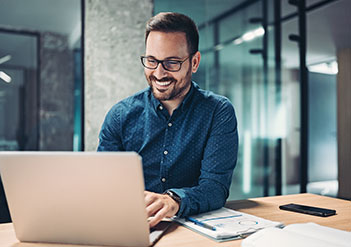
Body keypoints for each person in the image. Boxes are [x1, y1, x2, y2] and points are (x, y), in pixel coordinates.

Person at [97, 12, 238, 227]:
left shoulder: (218, 111)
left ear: (194, 62)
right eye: (152, 61)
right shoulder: (120, 115)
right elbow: (104, 184)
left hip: (192, 229)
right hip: (132, 226)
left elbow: (215, 188)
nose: (159, 73)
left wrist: (174, 201)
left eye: (172, 62)